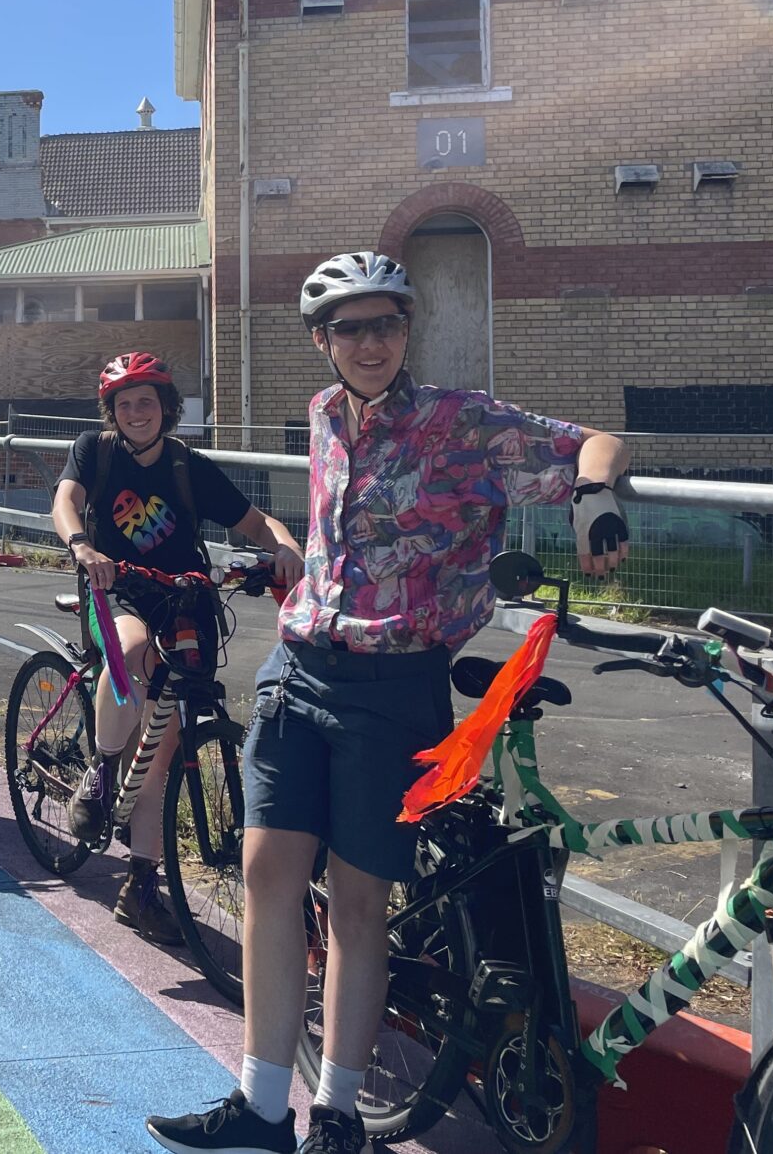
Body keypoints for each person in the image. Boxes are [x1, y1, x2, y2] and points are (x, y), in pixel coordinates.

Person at [145, 251, 632, 1154]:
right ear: (323, 342)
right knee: (267, 879)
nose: (369, 343)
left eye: (386, 324)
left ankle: (336, 1115)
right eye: (348, 328)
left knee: (359, 902)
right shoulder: (325, 414)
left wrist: (596, 497)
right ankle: (260, 1107)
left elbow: (591, 444)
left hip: (395, 680)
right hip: (298, 668)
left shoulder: (461, 421)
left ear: (407, 331)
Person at [53, 352, 305, 947]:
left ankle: (140, 887)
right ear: (110, 411)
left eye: (147, 401)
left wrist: (287, 546)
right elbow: (65, 500)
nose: (136, 412)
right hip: (115, 589)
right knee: (134, 653)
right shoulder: (96, 451)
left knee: (163, 751)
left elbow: (256, 521)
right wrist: (83, 546)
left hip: (186, 602)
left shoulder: (188, 466)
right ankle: (101, 769)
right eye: (124, 402)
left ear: (167, 409)